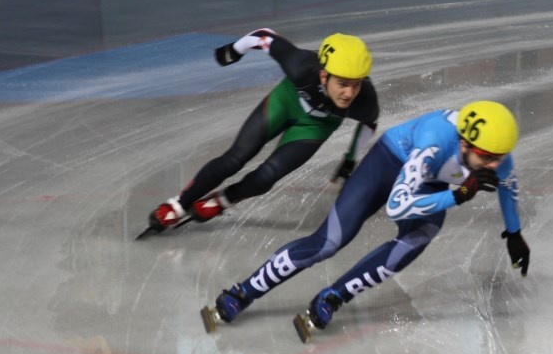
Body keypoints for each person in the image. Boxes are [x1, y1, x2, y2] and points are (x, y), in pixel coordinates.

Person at [200, 100, 531, 343]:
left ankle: (333, 297)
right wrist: (457, 196)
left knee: (421, 237)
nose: (492, 165)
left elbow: (507, 186)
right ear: (463, 142)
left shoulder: (496, 156)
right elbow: (397, 206)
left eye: (498, 159)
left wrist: (514, 234)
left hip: (428, 181)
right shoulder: (434, 141)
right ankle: (243, 293)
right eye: (485, 158)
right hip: (389, 163)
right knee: (329, 242)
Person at [144, 29, 379, 233]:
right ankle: (180, 203)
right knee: (234, 159)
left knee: (267, 177)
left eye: (355, 84)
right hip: (285, 102)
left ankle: (225, 199)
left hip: (316, 126)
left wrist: (350, 159)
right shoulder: (300, 65)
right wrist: (234, 50)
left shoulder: (364, 100)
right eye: (343, 84)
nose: (349, 93)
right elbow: (264, 36)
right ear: (324, 75)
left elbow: (369, 123)